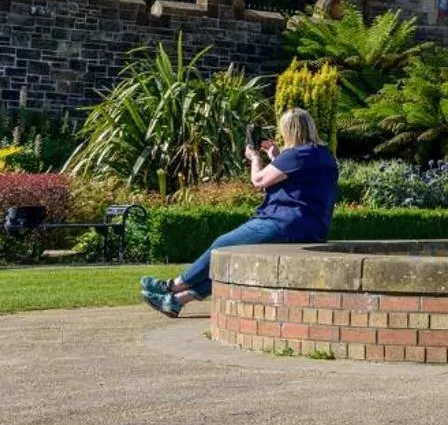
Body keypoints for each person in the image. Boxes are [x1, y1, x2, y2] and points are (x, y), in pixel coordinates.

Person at [141, 107, 340, 317]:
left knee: (223, 246)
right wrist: (274, 157)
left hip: (282, 222)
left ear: (290, 130)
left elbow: (259, 181)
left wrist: (255, 158)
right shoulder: (323, 155)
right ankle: (177, 300)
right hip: (312, 227)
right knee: (235, 259)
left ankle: (173, 285)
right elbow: (298, 181)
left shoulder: (297, 154)